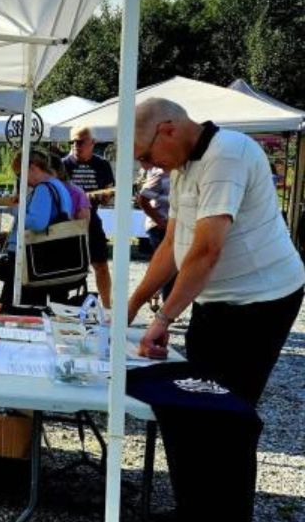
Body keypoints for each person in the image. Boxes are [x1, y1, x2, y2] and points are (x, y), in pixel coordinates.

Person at [127, 99, 304, 406]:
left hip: (261, 299)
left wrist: (164, 317)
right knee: (197, 394)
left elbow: (208, 249)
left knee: (227, 406)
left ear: (167, 131)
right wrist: (131, 306)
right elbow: (171, 244)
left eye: (145, 155)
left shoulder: (227, 153)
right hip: (216, 298)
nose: (147, 166)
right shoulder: (183, 166)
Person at [0, 148, 80, 308]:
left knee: (12, 306)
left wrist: (16, 210)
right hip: (53, 257)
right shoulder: (59, 186)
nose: (22, 179)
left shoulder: (43, 188)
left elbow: (38, 222)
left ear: (32, 167)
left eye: (20, 174)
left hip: (33, 258)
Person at [62, 126, 115, 307]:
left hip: (92, 221)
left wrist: (106, 195)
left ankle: (108, 306)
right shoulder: (63, 165)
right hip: (67, 222)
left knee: (100, 264)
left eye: (81, 142)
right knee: (63, 267)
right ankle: (61, 303)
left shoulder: (102, 165)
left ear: (93, 143)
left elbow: (109, 195)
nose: (77, 145)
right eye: (74, 142)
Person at [137, 165, 173, 300]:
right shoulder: (160, 174)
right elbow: (142, 199)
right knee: (167, 265)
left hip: (175, 225)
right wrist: (160, 222)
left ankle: (156, 293)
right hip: (159, 227)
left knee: (169, 265)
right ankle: (164, 301)